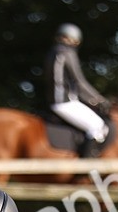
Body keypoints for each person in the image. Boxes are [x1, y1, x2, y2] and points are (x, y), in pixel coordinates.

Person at [44, 23, 111, 158]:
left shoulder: (53, 52)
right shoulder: (67, 53)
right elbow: (79, 82)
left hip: (55, 100)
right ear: (75, 39)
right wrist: (99, 100)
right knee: (98, 126)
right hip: (65, 102)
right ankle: (84, 168)